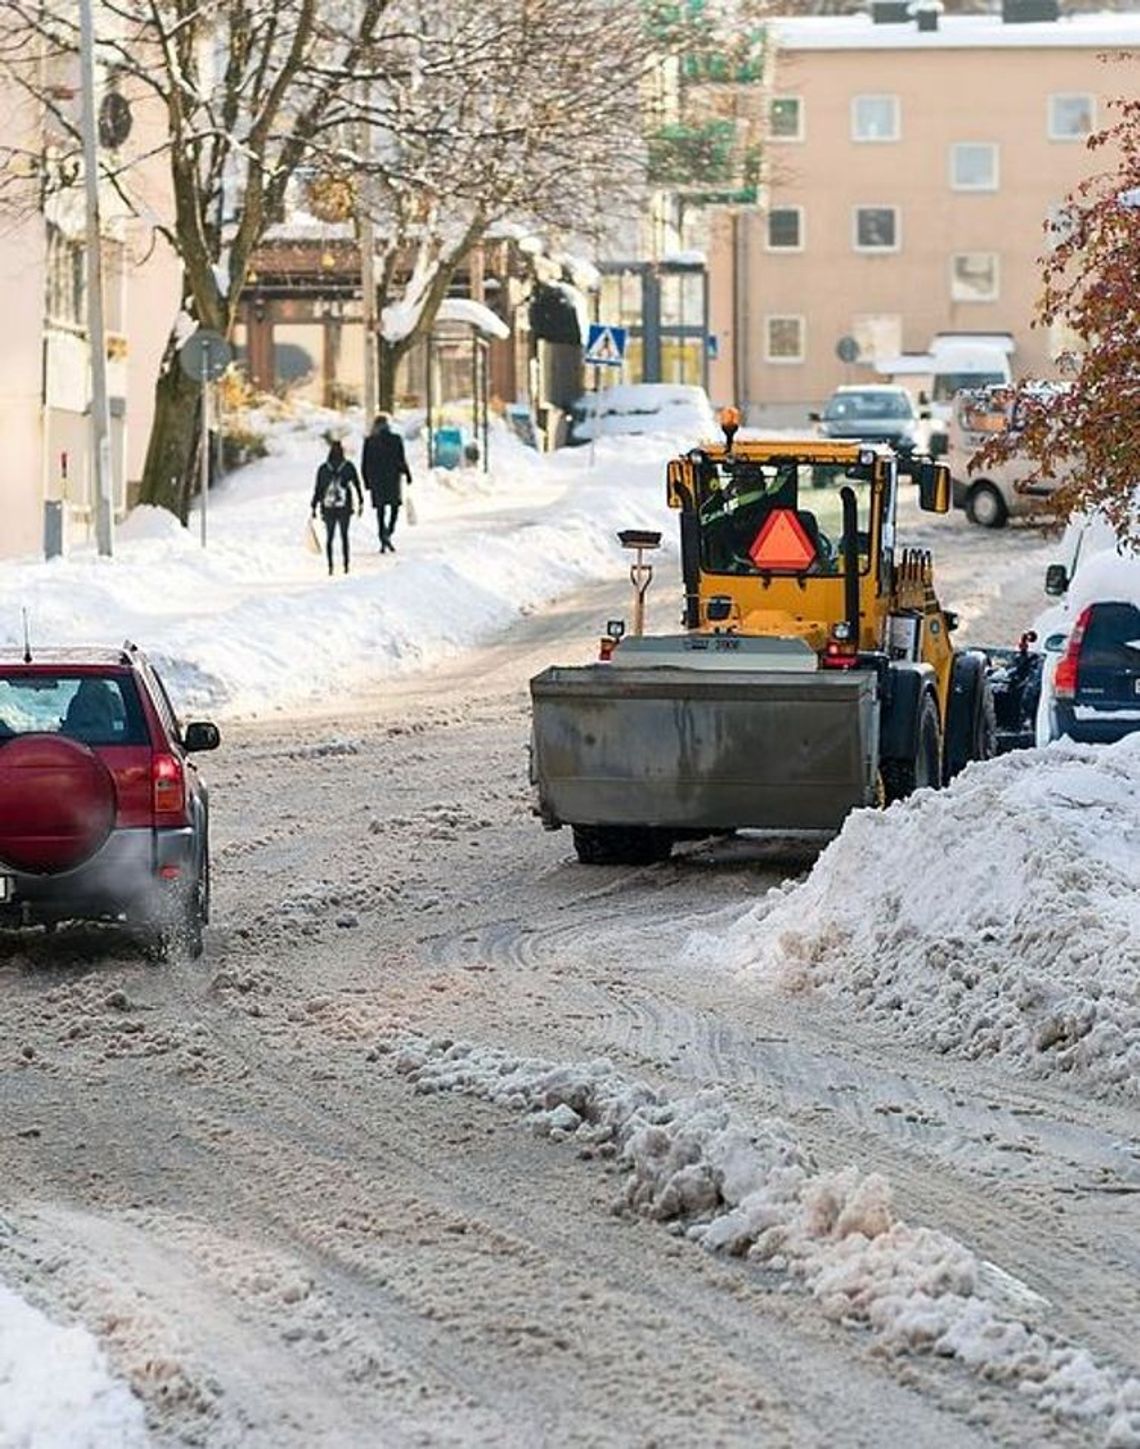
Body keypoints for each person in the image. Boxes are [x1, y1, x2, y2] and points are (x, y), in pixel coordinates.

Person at [310, 440, 363, 575]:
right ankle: (346, 564)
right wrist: (361, 501)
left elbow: (318, 489)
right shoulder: (348, 466)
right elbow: (357, 484)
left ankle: (330, 566)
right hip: (344, 507)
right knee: (344, 536)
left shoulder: (323, 469)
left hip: (328, 508)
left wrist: (314, 505)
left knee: (330, 537)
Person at [360, 414, 412, 553]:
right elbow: (401, 459)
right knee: (395, 506)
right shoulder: (395, 439)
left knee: (380, 510)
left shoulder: (370, 441)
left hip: (377, 480)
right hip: (393, 479)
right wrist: (407, 474)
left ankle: (383, 536)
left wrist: (366, 481)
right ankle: (389, 531)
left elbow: (365, 464)